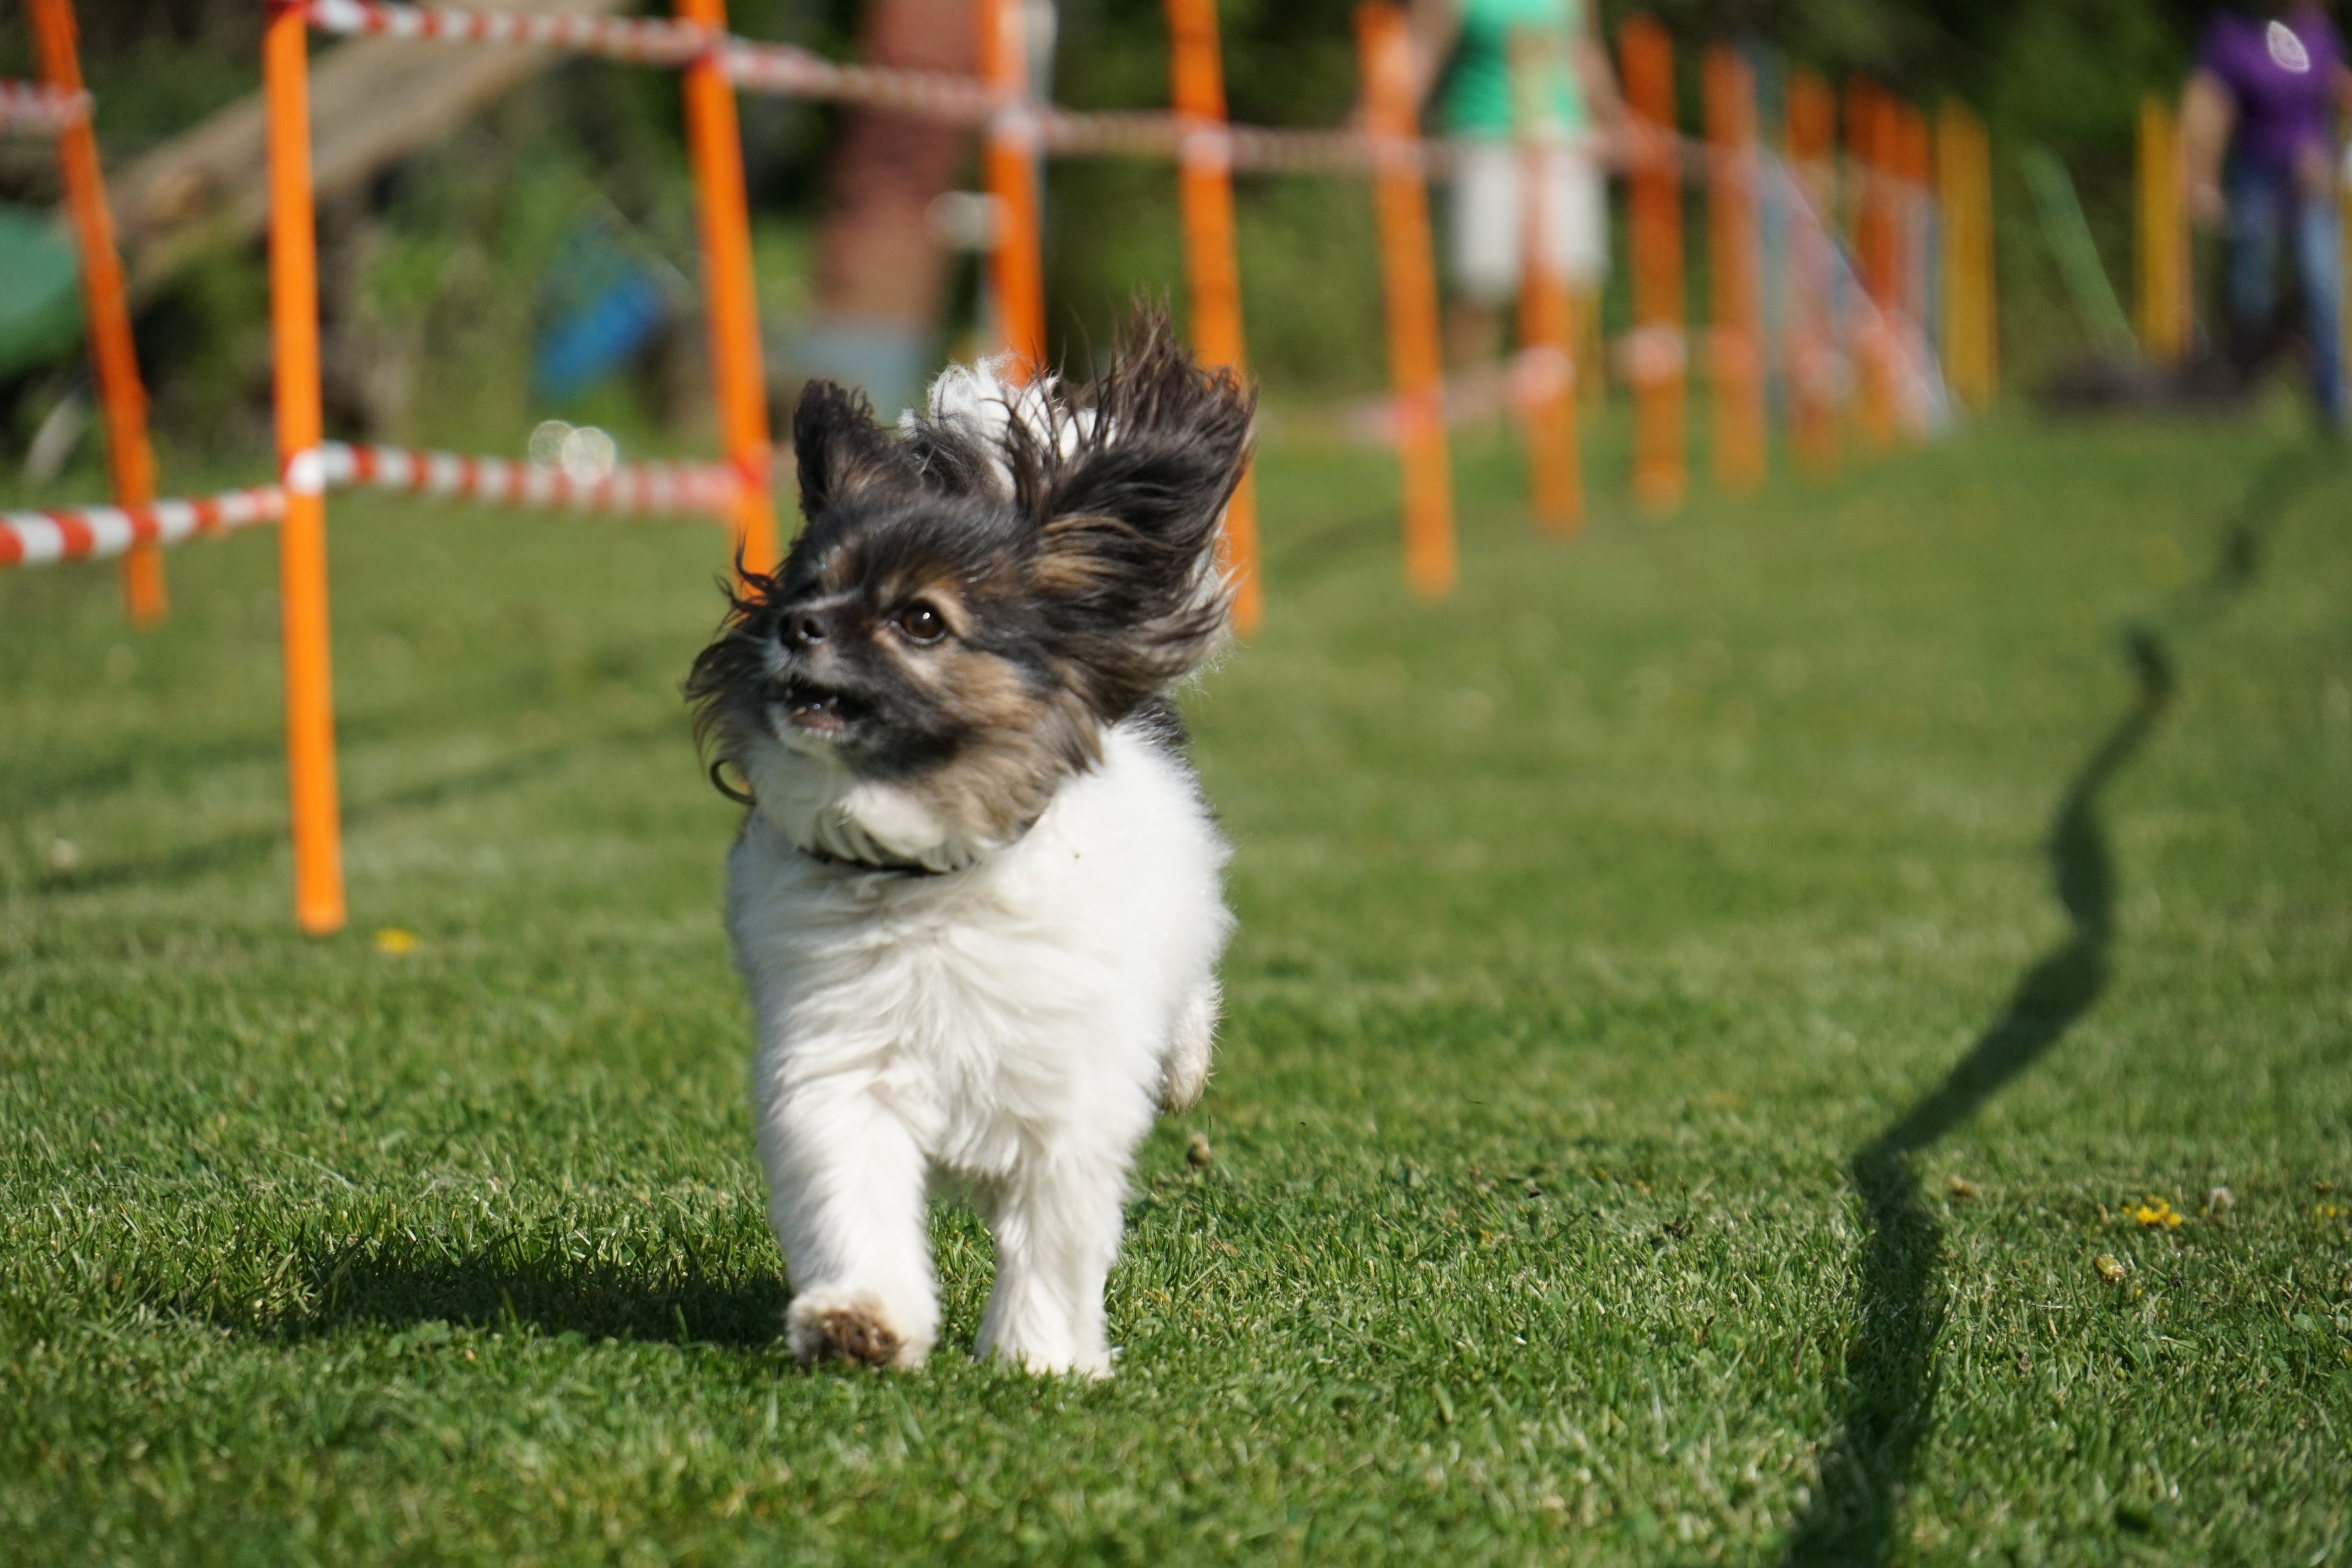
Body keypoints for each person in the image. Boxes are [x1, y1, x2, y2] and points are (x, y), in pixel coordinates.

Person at [1400, 0, 1624, 374]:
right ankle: (1468, 393)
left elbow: (1584, 50)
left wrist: (1614, 118)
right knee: (1484, 286)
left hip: (1564, 141)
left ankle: (1559, 393)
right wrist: (1383, 113)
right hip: (1488, 141)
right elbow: (1419, 50)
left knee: (1570, 282)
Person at [2181, 1, 2352, 423]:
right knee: (2250, 287)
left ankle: (2333, 396)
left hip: (2311, 179)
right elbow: (2208, 108)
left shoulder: (2318, 32)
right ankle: (2241, 389)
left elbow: (2344, 96)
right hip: (2255, 178)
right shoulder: (2233, 34)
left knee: (2322, 278)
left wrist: (2332, 164)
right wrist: (2201, 179)